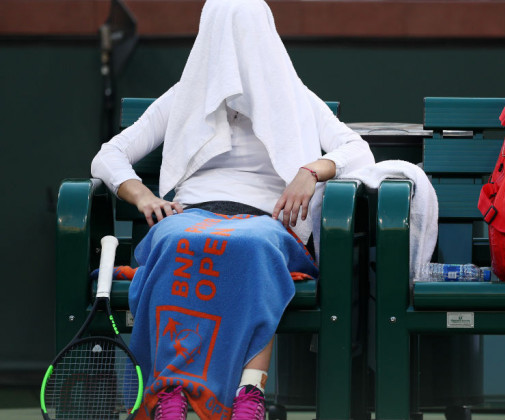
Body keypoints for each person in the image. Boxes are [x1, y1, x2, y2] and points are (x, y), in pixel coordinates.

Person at [91, 0, 374, 418]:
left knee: (250, 245)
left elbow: (358, 150)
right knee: (175, 240)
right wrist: (143, 196)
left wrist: (312, 171)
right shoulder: (184, 96)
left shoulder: (294, 95)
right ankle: (171, 391)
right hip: (192, 214)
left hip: (263, 219)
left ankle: (249, 393)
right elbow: (109, 155)